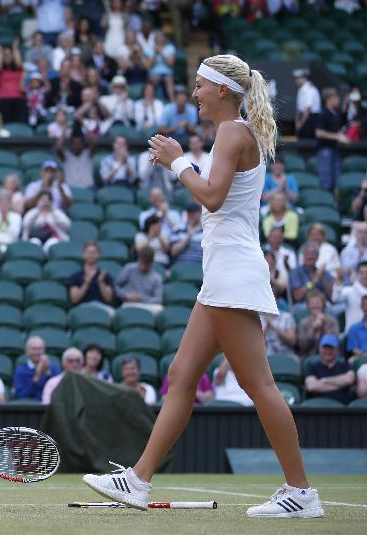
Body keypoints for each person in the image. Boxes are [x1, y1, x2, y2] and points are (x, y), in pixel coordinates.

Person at [85, 55, 323, 519]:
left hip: (232, 275)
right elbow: (216, 195)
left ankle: (301, 491)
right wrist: (185, 163)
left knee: (259, 386)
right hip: (222, 275)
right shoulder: (231, 134)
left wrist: (178, 163)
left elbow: (212, 197)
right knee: (181, 377)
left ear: (222, 91)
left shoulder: (233, 132)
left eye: (198, 86)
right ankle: (137, 480)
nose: (193, 93)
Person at [314, 87, 349, 192]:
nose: (338, 100)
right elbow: (319, 133)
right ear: (329, 99)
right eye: (336, 98)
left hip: (335, 149)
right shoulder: (323, 113)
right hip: (325, 150)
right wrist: (337, 136)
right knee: (326, 180)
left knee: (337, 180)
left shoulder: (337, 113)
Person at [304, 334, 354, 404]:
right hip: (317, 407)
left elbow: (349, 380)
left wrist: (324, 380)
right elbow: (311, 386)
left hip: (342, 408)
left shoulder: (345, 365)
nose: (328, 351)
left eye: (331, 348)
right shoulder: (313, 366)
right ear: (320, 349)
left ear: (337, 350)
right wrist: (340, 385)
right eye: (325, 348)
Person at [68, 240, 115, 311]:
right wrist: (86, 284)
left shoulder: (105, 276)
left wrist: (101, 283)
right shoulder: (76, 276)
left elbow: (109, 299)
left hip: (102, 307)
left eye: (94, 252)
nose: (91, 255)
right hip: (82, 307)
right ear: (83, 254)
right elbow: (74, 299)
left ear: (98, 254)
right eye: (88, 252)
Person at [115, 246, 164, 314]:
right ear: (138, 259)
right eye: (142, 263)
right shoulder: (129, 268)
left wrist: (142, 298)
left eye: (146, 264)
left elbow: (158, 299)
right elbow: (116, 286)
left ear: (151, 263)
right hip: (130, 303)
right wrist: (125, 295)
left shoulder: (157, 278)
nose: (143, 267)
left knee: (159, 309)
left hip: (147, 306)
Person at [12, 336, 61, 401]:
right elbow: (21, 396)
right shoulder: (20, 371)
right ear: (27, 352)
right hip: (29, 408)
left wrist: (47, 373)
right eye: (34, 349)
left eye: (40, 349)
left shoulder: (54, 368)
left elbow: (60, 391)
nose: (37, 352)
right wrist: (36, 377)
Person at [289, 242, 334, 309]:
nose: (310, 256)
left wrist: (322, 278)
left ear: (318, 256)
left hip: (324, 305)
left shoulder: (323, 273)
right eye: (307, 253)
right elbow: (298, 296)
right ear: (303, 256)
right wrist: (314, 280)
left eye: (313, 254)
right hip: (303, 305)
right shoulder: (295, 272)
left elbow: (331, 296)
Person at [297, 291, 339, 358]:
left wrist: (324, 325)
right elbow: (302, 347)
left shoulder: (331, 321)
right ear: (308, 306)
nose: (315, 305)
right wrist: (312, 330)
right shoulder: (303, 323)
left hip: (329, 354)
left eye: (317, 303)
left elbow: (334, 341)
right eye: (312, 303)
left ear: (323, 305)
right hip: (309, 355)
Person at [333, 261, 367, 334]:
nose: (365, 276)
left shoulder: (353, 287)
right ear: (357, 274)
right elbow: (335, 299)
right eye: (362, 273)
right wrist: (339, 280)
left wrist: (354, 283)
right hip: (352, 335)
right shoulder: (349, 291)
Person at [293, 68, 320, 139]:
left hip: (310, 119)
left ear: (304, 78)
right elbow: (299, 109)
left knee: (308, 141)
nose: (296, 80)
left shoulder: (310, 90)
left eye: (298, 78)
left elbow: (308, 109)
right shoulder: (300, 90)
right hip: (303, 118)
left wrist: (301, 123)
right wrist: (297, 121)